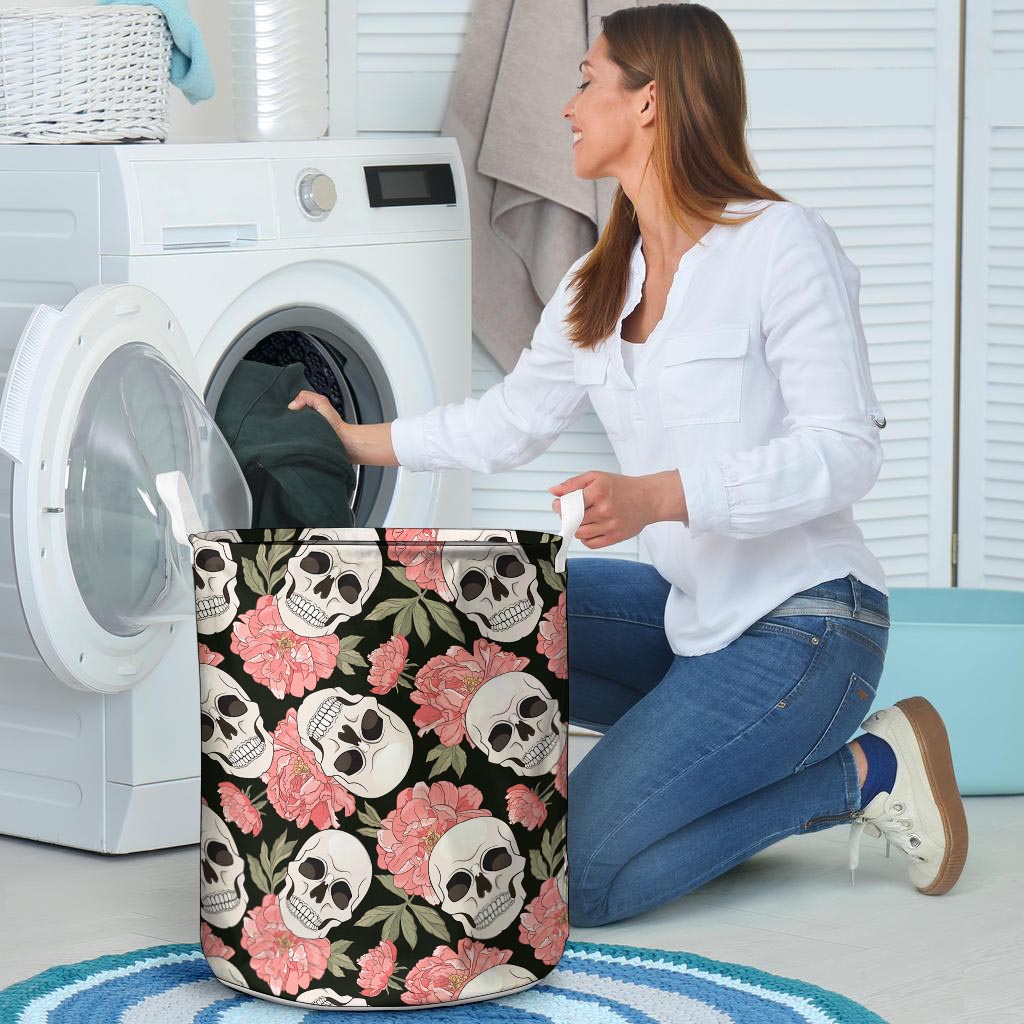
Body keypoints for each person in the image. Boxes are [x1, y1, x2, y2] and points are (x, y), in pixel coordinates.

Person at [288, 2, 968, 928]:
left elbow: (846, 454)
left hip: (810, 627)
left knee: (582, 881)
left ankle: (865, 773)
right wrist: (361, 437)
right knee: (484, 608)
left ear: (648, 103)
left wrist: (662, 498)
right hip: (695, 620)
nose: (566, 107)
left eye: (585, 81)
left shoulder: (779, 244)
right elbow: (508, 423)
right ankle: (668, 764)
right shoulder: (597, 281)